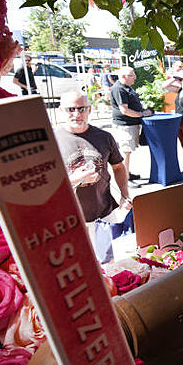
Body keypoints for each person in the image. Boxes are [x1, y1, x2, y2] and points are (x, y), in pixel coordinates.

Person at [55, 90, 130, 263]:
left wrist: (124, 194)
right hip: (69, 221)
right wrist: (74, 179)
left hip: (103, 216)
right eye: (70, 109)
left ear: (89, 110)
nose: (77, 114)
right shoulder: (52, 141)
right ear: (60, 111)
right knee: (80, 267)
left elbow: (118, 167)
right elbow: (45, 184)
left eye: (82, 109)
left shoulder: (104, 137)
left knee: (107, 264)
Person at [109, 66, 152, 181]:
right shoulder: (119, 89)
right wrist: (142, 114)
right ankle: (124, 177)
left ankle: (126, 173)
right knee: (126, 151)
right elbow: (124, 110)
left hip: (130, 124)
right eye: (132, 75)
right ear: (123, 76)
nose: (135, 77)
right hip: (125, 125)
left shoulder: (125, 87)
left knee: (128, 151)